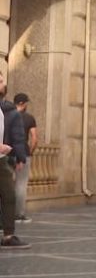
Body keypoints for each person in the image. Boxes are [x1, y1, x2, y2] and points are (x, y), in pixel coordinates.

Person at [0, 75, 30, 249]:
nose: (4, 85)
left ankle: (8, 235)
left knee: (9, 194)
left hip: (1, 160)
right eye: (1, 82)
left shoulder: (3, 110)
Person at [12, 94, 37, 223]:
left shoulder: (7, 115)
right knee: (21, 185)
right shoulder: (29, 118)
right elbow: (34, 138)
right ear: (22, 103)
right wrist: (31, 151)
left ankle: (6, 213)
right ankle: (19, 214)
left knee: (6, 184)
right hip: (24, 153)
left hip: (8, 152)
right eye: (26, 103)